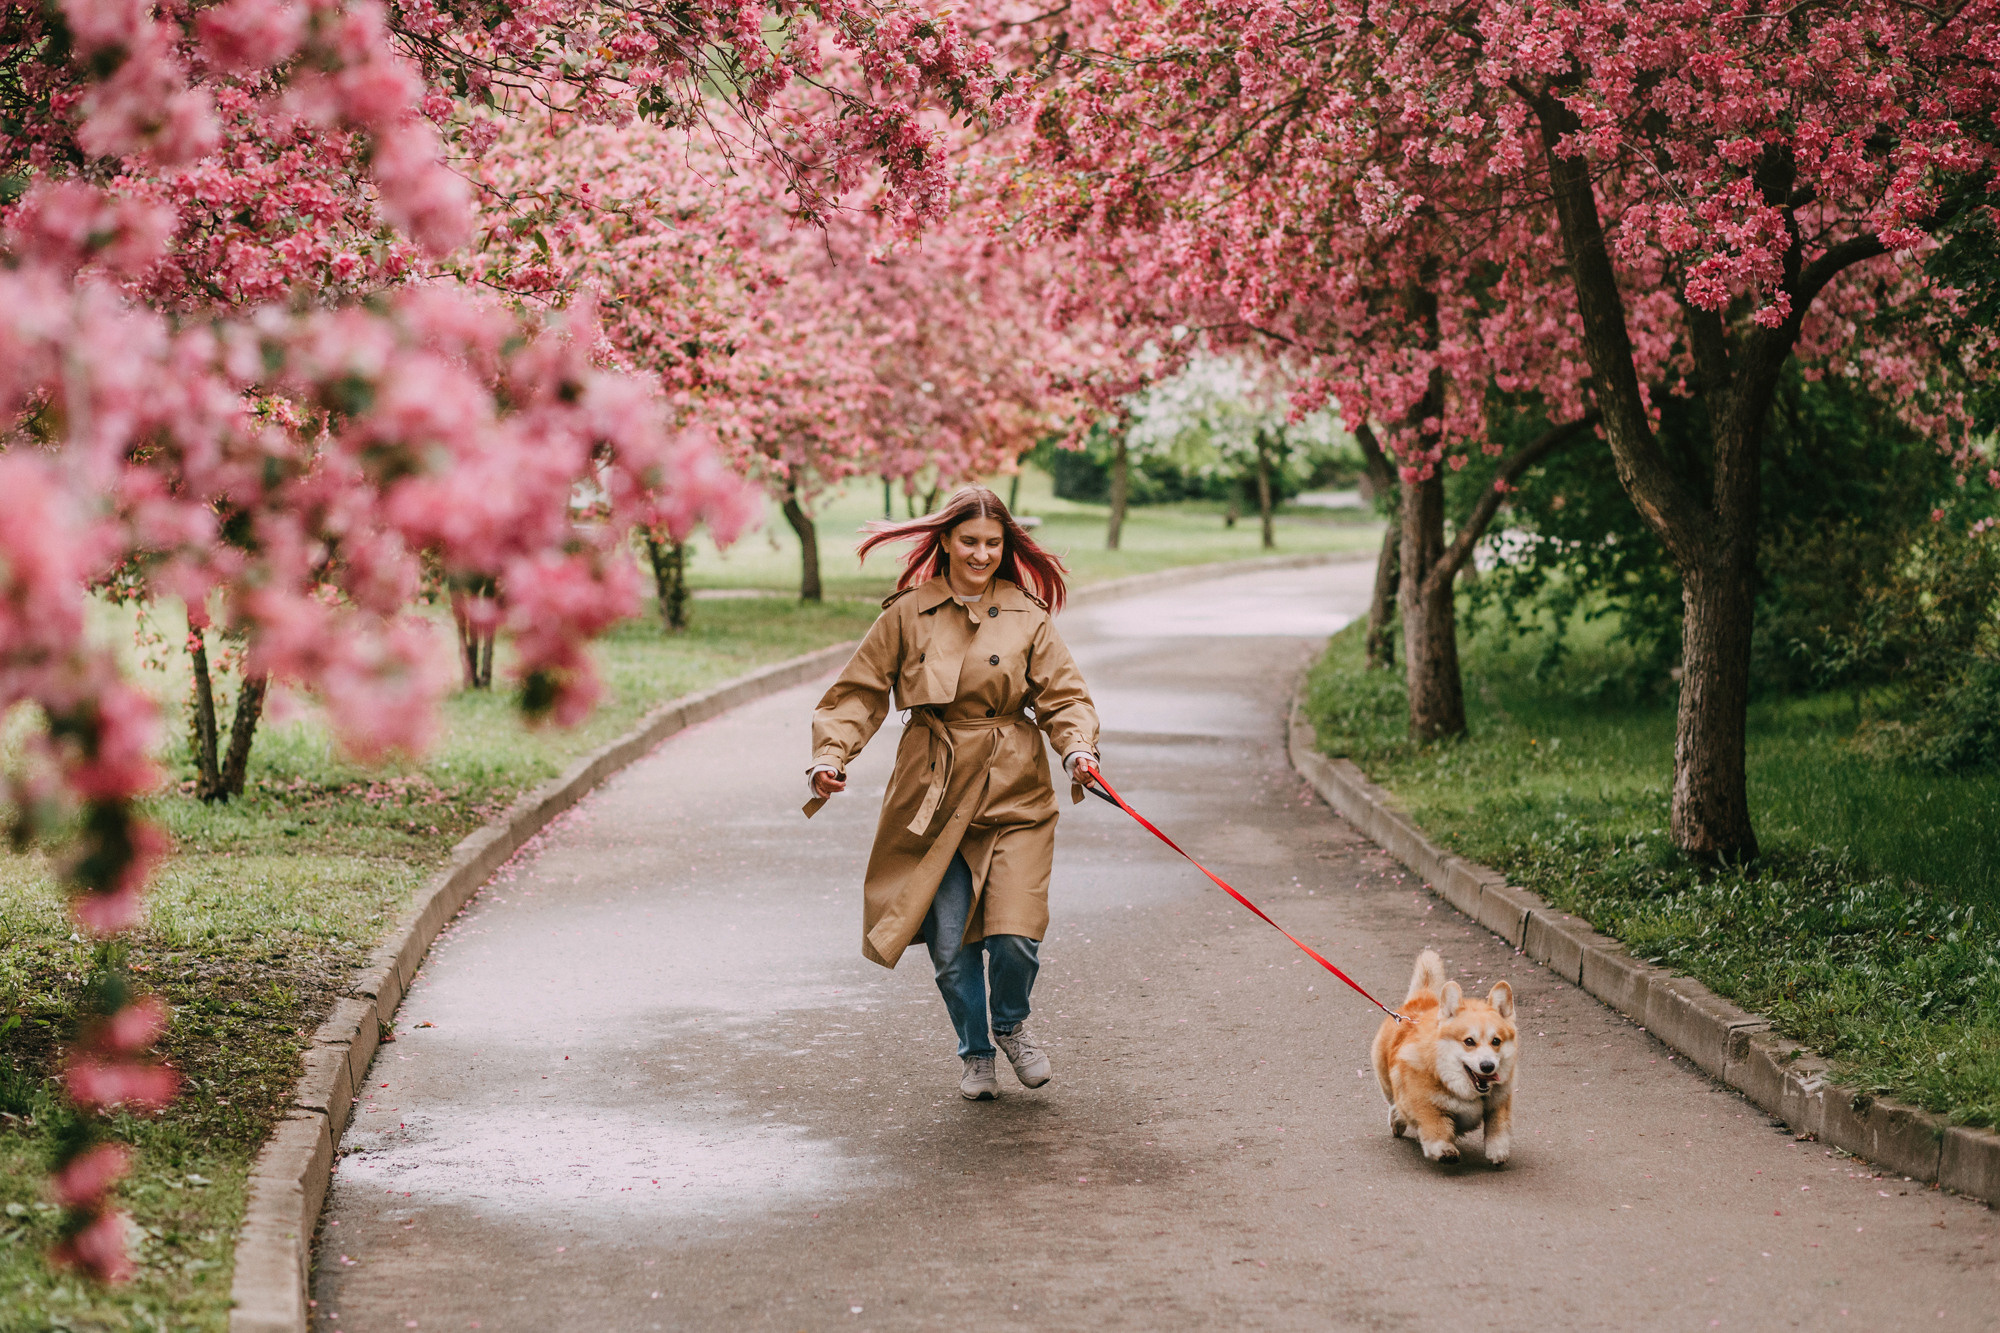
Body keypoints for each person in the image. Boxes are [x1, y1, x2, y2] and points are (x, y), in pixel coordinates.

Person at [803, 485, 1102, 1100]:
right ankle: (975, 1052)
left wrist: (1077, 748)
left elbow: (1064, 696)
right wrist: (829, 756)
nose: (982, 554)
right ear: (944, 540)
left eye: (993, 543)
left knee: (1015, 935)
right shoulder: (907, 614)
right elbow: (859, 693)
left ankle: (1011, 1023)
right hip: (932, 796)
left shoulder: (1027, 614)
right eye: (970, 541)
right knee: (951, 946)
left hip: (1013, 793)